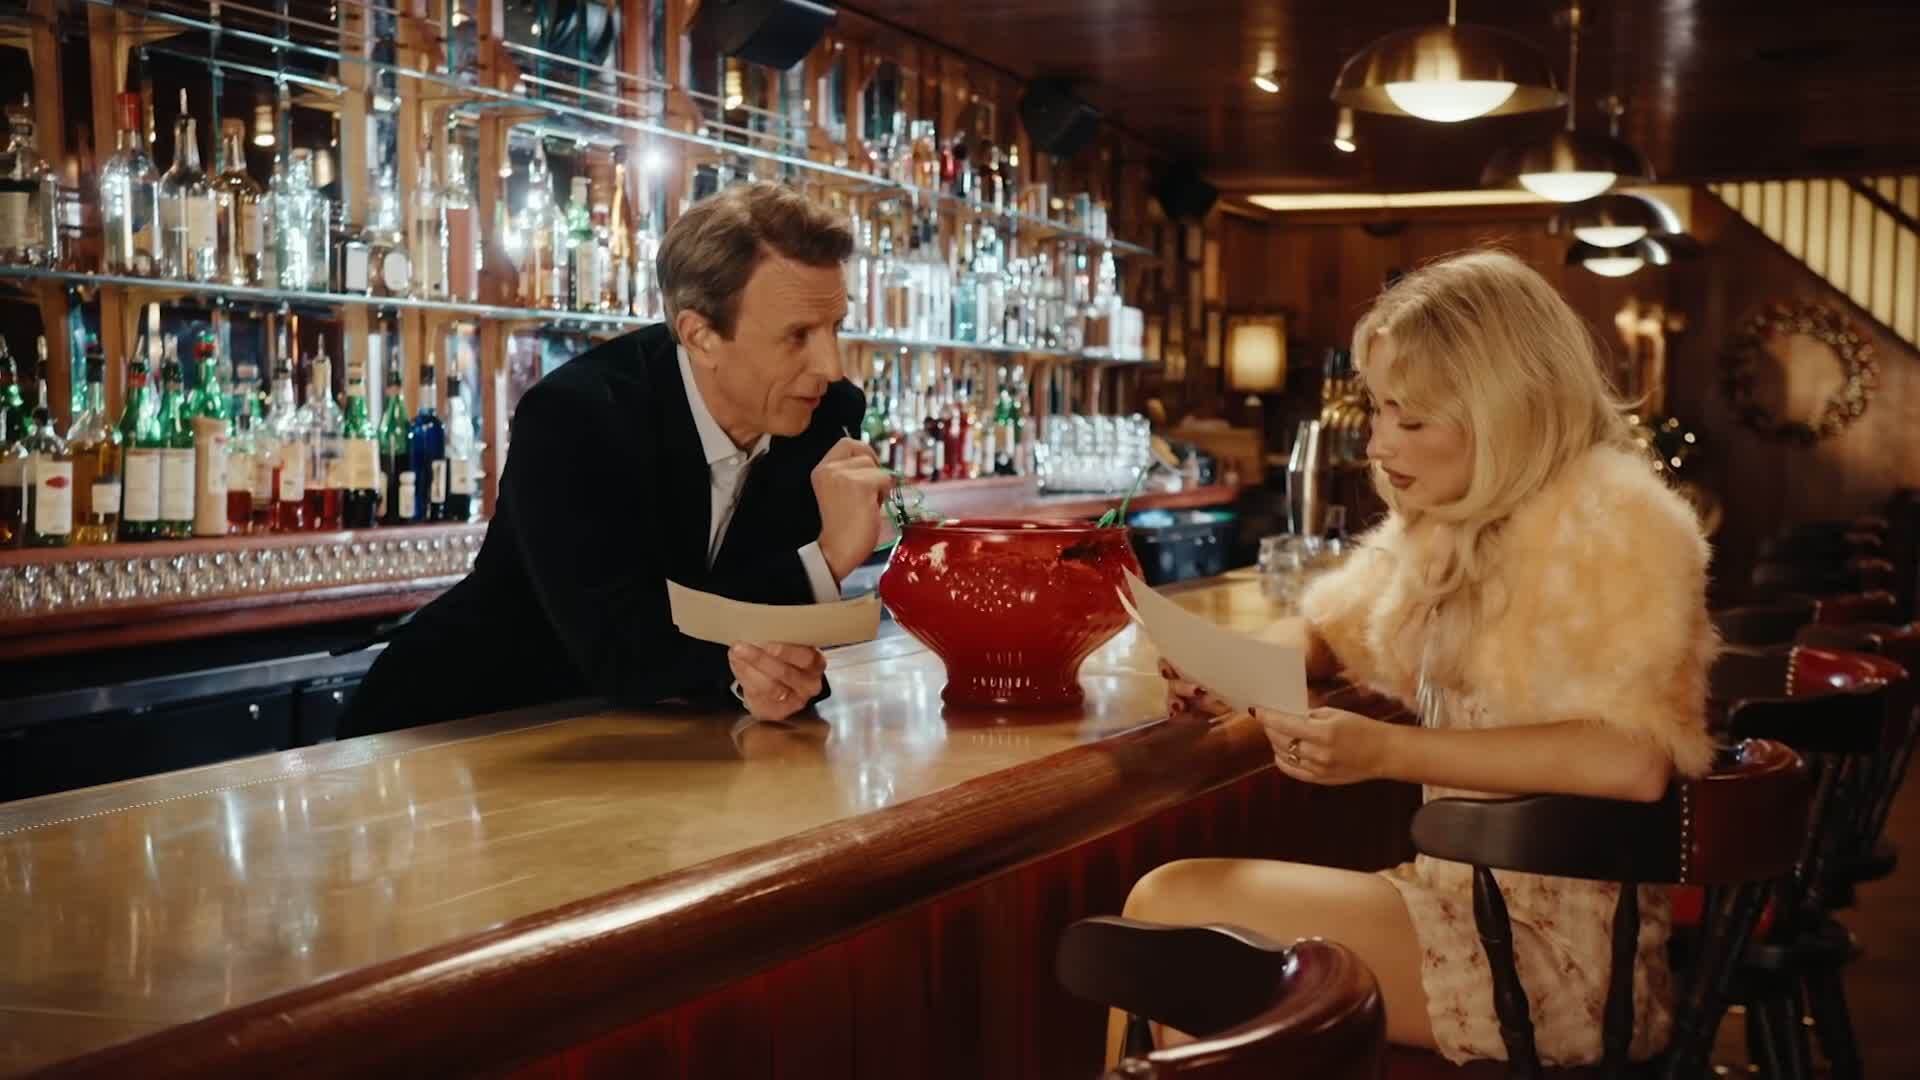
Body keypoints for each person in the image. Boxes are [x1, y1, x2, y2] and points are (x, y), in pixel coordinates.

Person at [1130, 250, 1718, 1067]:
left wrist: (1387, 751)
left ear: (1508, 410)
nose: (1378, 445)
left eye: (1411, 421)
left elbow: (1633, 759)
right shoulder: (1453, 527)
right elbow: (1324, 628)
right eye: (1380, 411)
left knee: (1170, 910)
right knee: (1171, 927)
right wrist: (1230, 672)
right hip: (1456, 905)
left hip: (1558, 959)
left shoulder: (1616, 525)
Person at [341, 182, 893, 737]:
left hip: (644, 739)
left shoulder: (822, 413)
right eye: (797, 336)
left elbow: (763, 624)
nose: (832, 366)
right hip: (459, 726)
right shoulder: (576, 416)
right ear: (700, 335)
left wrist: (769, 679)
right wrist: (825, 560)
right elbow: (623, 649)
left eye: (835, 327)